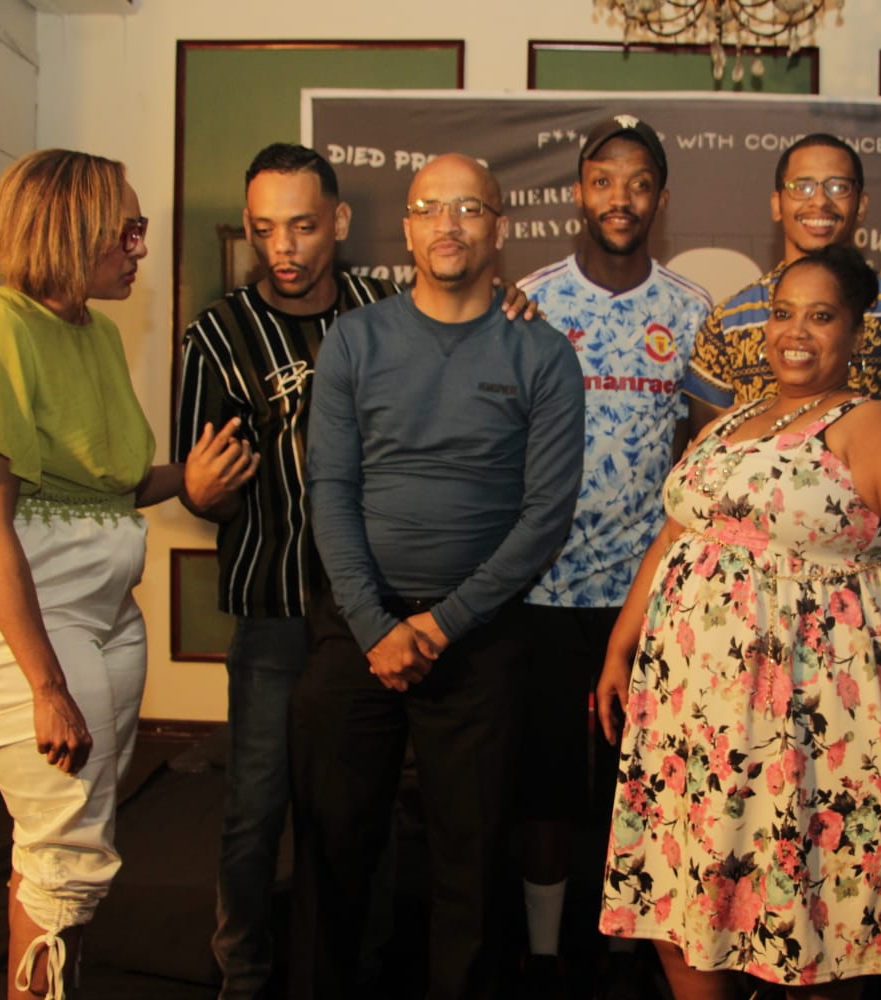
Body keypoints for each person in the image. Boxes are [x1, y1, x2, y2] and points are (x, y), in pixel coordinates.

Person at [175, 143, 537, 999]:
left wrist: (508, 303)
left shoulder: (384, 307)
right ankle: (244, 975)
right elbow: (202, 484)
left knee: (365, 812)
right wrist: (198, 491)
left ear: (338, 222)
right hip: (280, 601)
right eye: (266, 229)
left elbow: (468, 321)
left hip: (385, 609)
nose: (284, 247)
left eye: (303, 226)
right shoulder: (216, 336)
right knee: (263, 806)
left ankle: (365, 968)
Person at [597, 245, 881, 998]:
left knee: (811, 919)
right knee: (683, 900)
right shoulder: (736, 417)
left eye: (821, 315)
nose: (795, 332)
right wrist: (623, 645)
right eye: (782, 313)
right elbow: (679, 533)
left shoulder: (869, 424)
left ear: (856, 332)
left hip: (814, 718)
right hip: (696, 720)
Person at [0, 149, 253, 1000]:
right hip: (25, 620)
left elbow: (109, 484)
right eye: (127, 230)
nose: (140, 247)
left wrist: (190, 478)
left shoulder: (97, 333)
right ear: (69, 229)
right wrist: (44, 683)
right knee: (68, 849)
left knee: (64, 838)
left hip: (106, 611)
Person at [293, 154, 585, 1000]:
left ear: (500, 227)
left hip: (480, 638)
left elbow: (546, 517)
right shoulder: (356, 340)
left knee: (474, 863)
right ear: (407, 228)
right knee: (330, 849)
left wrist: (441, 624)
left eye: (468, 208)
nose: (448, 224)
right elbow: (330, 488)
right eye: (430, 208)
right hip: (358, 627)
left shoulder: (542, 353)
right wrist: (375, 625)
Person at [515, 113, 711, 992]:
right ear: (578, 194)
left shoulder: (692, 311)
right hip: (545, 589)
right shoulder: (532, 302)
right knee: (548, 785)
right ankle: (544, 952)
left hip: (652, 594)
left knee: (645, 782)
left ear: (661, 199)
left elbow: (703, 452)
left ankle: (631, 950)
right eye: (604, 180)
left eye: (639, 183)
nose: (620, 198)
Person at [682, 133, 881, 434]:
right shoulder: (729, 320)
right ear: (777, 204)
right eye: (801, 187)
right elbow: (713, 439)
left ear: (861, 205)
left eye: (838, 187)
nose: (819, 201)